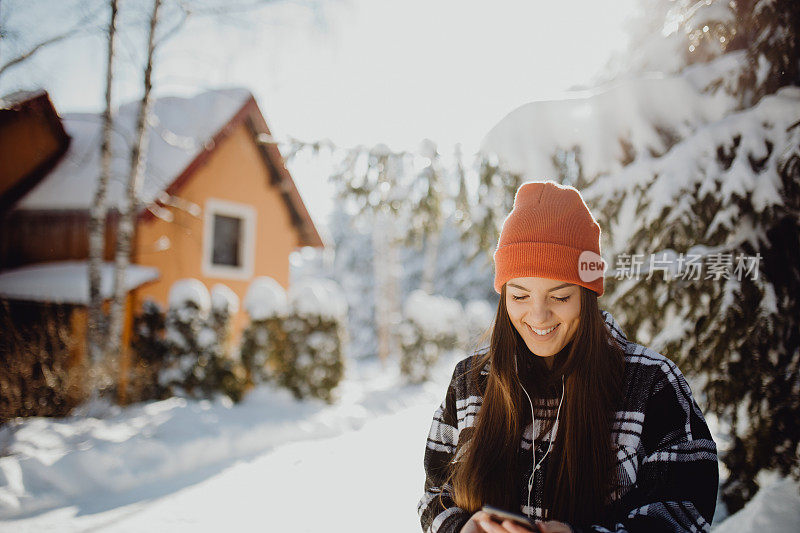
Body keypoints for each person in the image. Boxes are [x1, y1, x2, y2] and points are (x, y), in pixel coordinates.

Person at [418, 181, 718, 533]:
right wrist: (461, 528)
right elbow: (436, 493)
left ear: (586, 295)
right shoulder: (470, 382)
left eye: (559, 297)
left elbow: (684, 512)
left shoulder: (652, 384)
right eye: (519, 296)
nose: (538, 316)